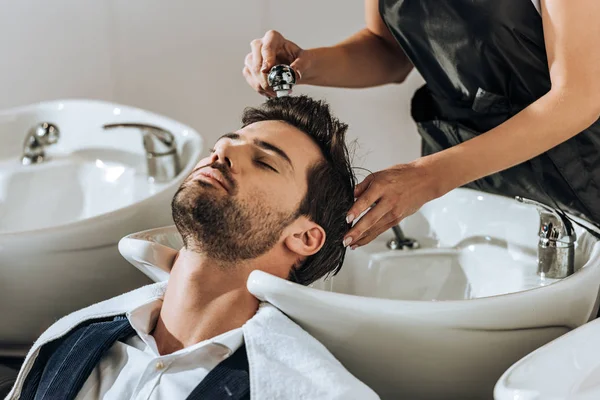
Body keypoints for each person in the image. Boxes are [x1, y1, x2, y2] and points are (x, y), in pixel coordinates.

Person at [6, 96, 379, 400]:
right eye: (224, 143)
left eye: (264, 161)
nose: (223, 150)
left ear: (303, 237)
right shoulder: (72, 344)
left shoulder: (311, 390)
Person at [243, 0, 600, 249]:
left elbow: (578, 98)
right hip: (462, 166)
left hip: (571, 168)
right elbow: (389, 51)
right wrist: (304, 64)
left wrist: (428, 177)